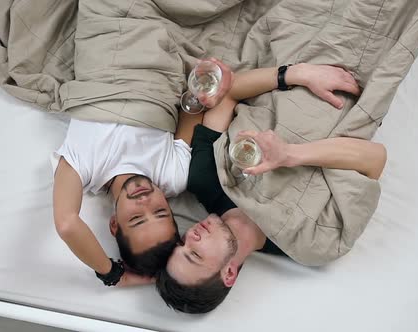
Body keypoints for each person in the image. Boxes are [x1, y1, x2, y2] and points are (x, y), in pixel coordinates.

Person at [155, 64, 387, 313]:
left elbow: (228, 93)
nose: (190, 236)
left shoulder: (204, 179)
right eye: (195, 254)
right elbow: (374, 158)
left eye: (181, 243)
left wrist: (297, 74)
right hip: (353, 82)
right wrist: (289, 155)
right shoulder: (312, 245)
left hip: (290, 62)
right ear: (229, 273)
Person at [51, 59, 233, 286]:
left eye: (137, 218)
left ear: (114, 224)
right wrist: (204, 91)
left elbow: (67, 224)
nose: (145, 201)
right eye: (160, 211)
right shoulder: (172, 177)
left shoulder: (85, 168)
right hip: (156, 62)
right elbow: (191, 103)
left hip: (105, 58)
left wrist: (113, 274)